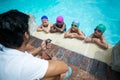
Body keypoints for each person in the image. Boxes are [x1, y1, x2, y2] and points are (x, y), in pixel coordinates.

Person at [0, 10, 72, 80]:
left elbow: (20, 57)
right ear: (26, 35)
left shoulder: (2, 49)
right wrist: (54, 60)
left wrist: (40, 48)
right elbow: (64, 67)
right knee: (67, 71)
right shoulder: (27, 65)